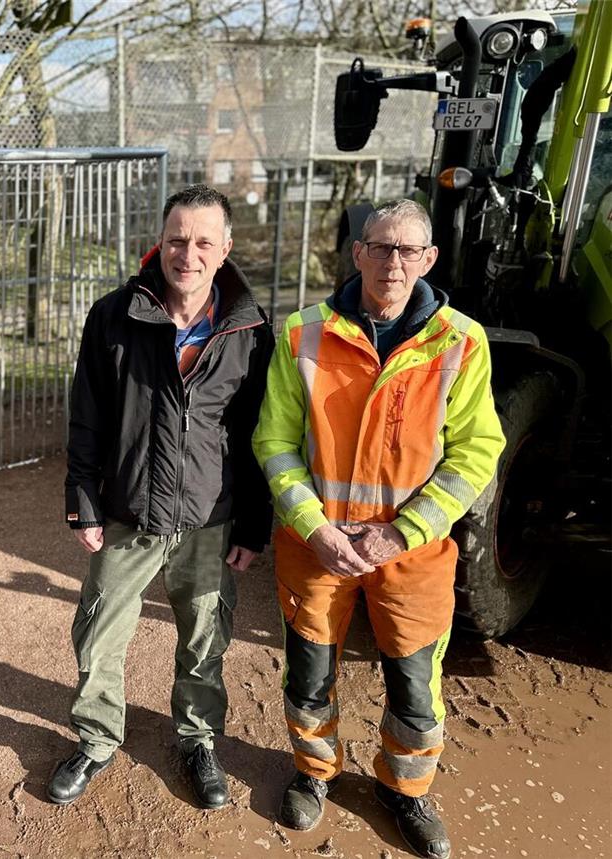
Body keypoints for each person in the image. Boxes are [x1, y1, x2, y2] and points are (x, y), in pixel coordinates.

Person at [252, 199, 505, 859]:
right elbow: (274, 441)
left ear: (428, 259)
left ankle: (404, 788)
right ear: (358, 252)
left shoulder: (461, 341)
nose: (394, 262)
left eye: (408, 250)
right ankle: (315, 772)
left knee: (415, 684)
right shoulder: (303, 333)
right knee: (309, 674)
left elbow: (475, 453)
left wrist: (404, 531)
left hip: (411, 553)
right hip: (317, 548)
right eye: (381, 247)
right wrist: (314, 527)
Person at [49, 184, 274, 810]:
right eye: (178, 239)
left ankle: (198, 740)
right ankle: (96, 739)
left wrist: (253, 525)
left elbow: (259, 433)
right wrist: (83, 500)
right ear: (160, 241)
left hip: (208, 519)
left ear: (225, 249)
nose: (188, 254)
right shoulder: (114, 315)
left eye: (204, 242)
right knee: (99, 634)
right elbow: (87, 416)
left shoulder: (250, 329)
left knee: (205, 637)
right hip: (129, 511)